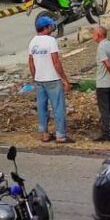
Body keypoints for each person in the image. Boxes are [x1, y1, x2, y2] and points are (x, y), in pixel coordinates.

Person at [28, 16, 74, 144]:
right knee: (58, 107)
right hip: (52, 79)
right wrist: (64, 79)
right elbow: (56, 62)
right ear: (47, 27)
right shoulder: (50, 41)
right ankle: (61, 135)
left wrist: (35, 77)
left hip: (39, 80)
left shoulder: (33, 41)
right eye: (51, 26)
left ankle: (44, 134)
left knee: (42, 108)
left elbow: (31, 62)